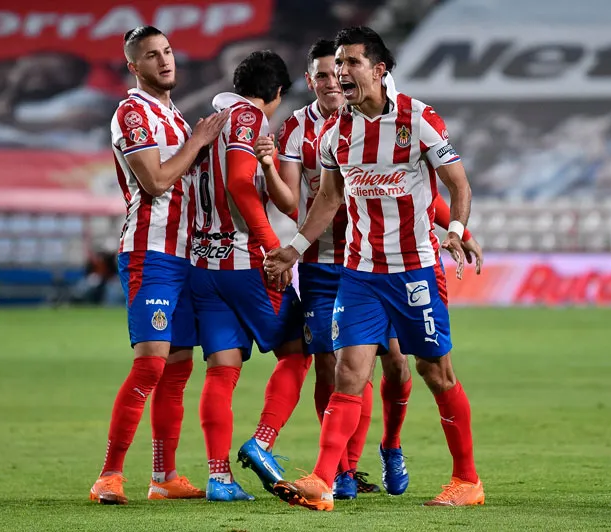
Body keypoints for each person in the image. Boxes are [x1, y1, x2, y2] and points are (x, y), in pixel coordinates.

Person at [264, 26, 485, 510]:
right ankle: (323, 479)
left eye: (351, 63)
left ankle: (467, 480)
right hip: (360, 274)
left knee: (434, 370)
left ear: (379, 70)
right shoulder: (335, 133)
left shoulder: (418, 119)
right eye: (337, 64)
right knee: (349, 374)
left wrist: (457, 231)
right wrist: (296, 247)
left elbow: (459, 185)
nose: (341, 72)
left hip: (415, 271)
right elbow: (328, 197)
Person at [89, 25, 228, 505]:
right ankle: (108, 475)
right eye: (151, 55)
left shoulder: (173, 115)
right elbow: (155, 180)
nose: (164, 60)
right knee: (149, 365)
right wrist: (199, 141)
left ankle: (164, 476)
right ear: (134, 66)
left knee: (176, 370)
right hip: (152, 253)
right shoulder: (131, 112)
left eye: (167, 51)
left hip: (188, 255)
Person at [188, 50, 311, 502]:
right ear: (277, 92)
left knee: (222, 370)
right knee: (297, 351)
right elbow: (241, 183)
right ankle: (262, 441)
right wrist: (268, 248)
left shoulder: (212, 121)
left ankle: (219, 477)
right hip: (244, 263)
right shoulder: (248, 121)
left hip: (204, 265)